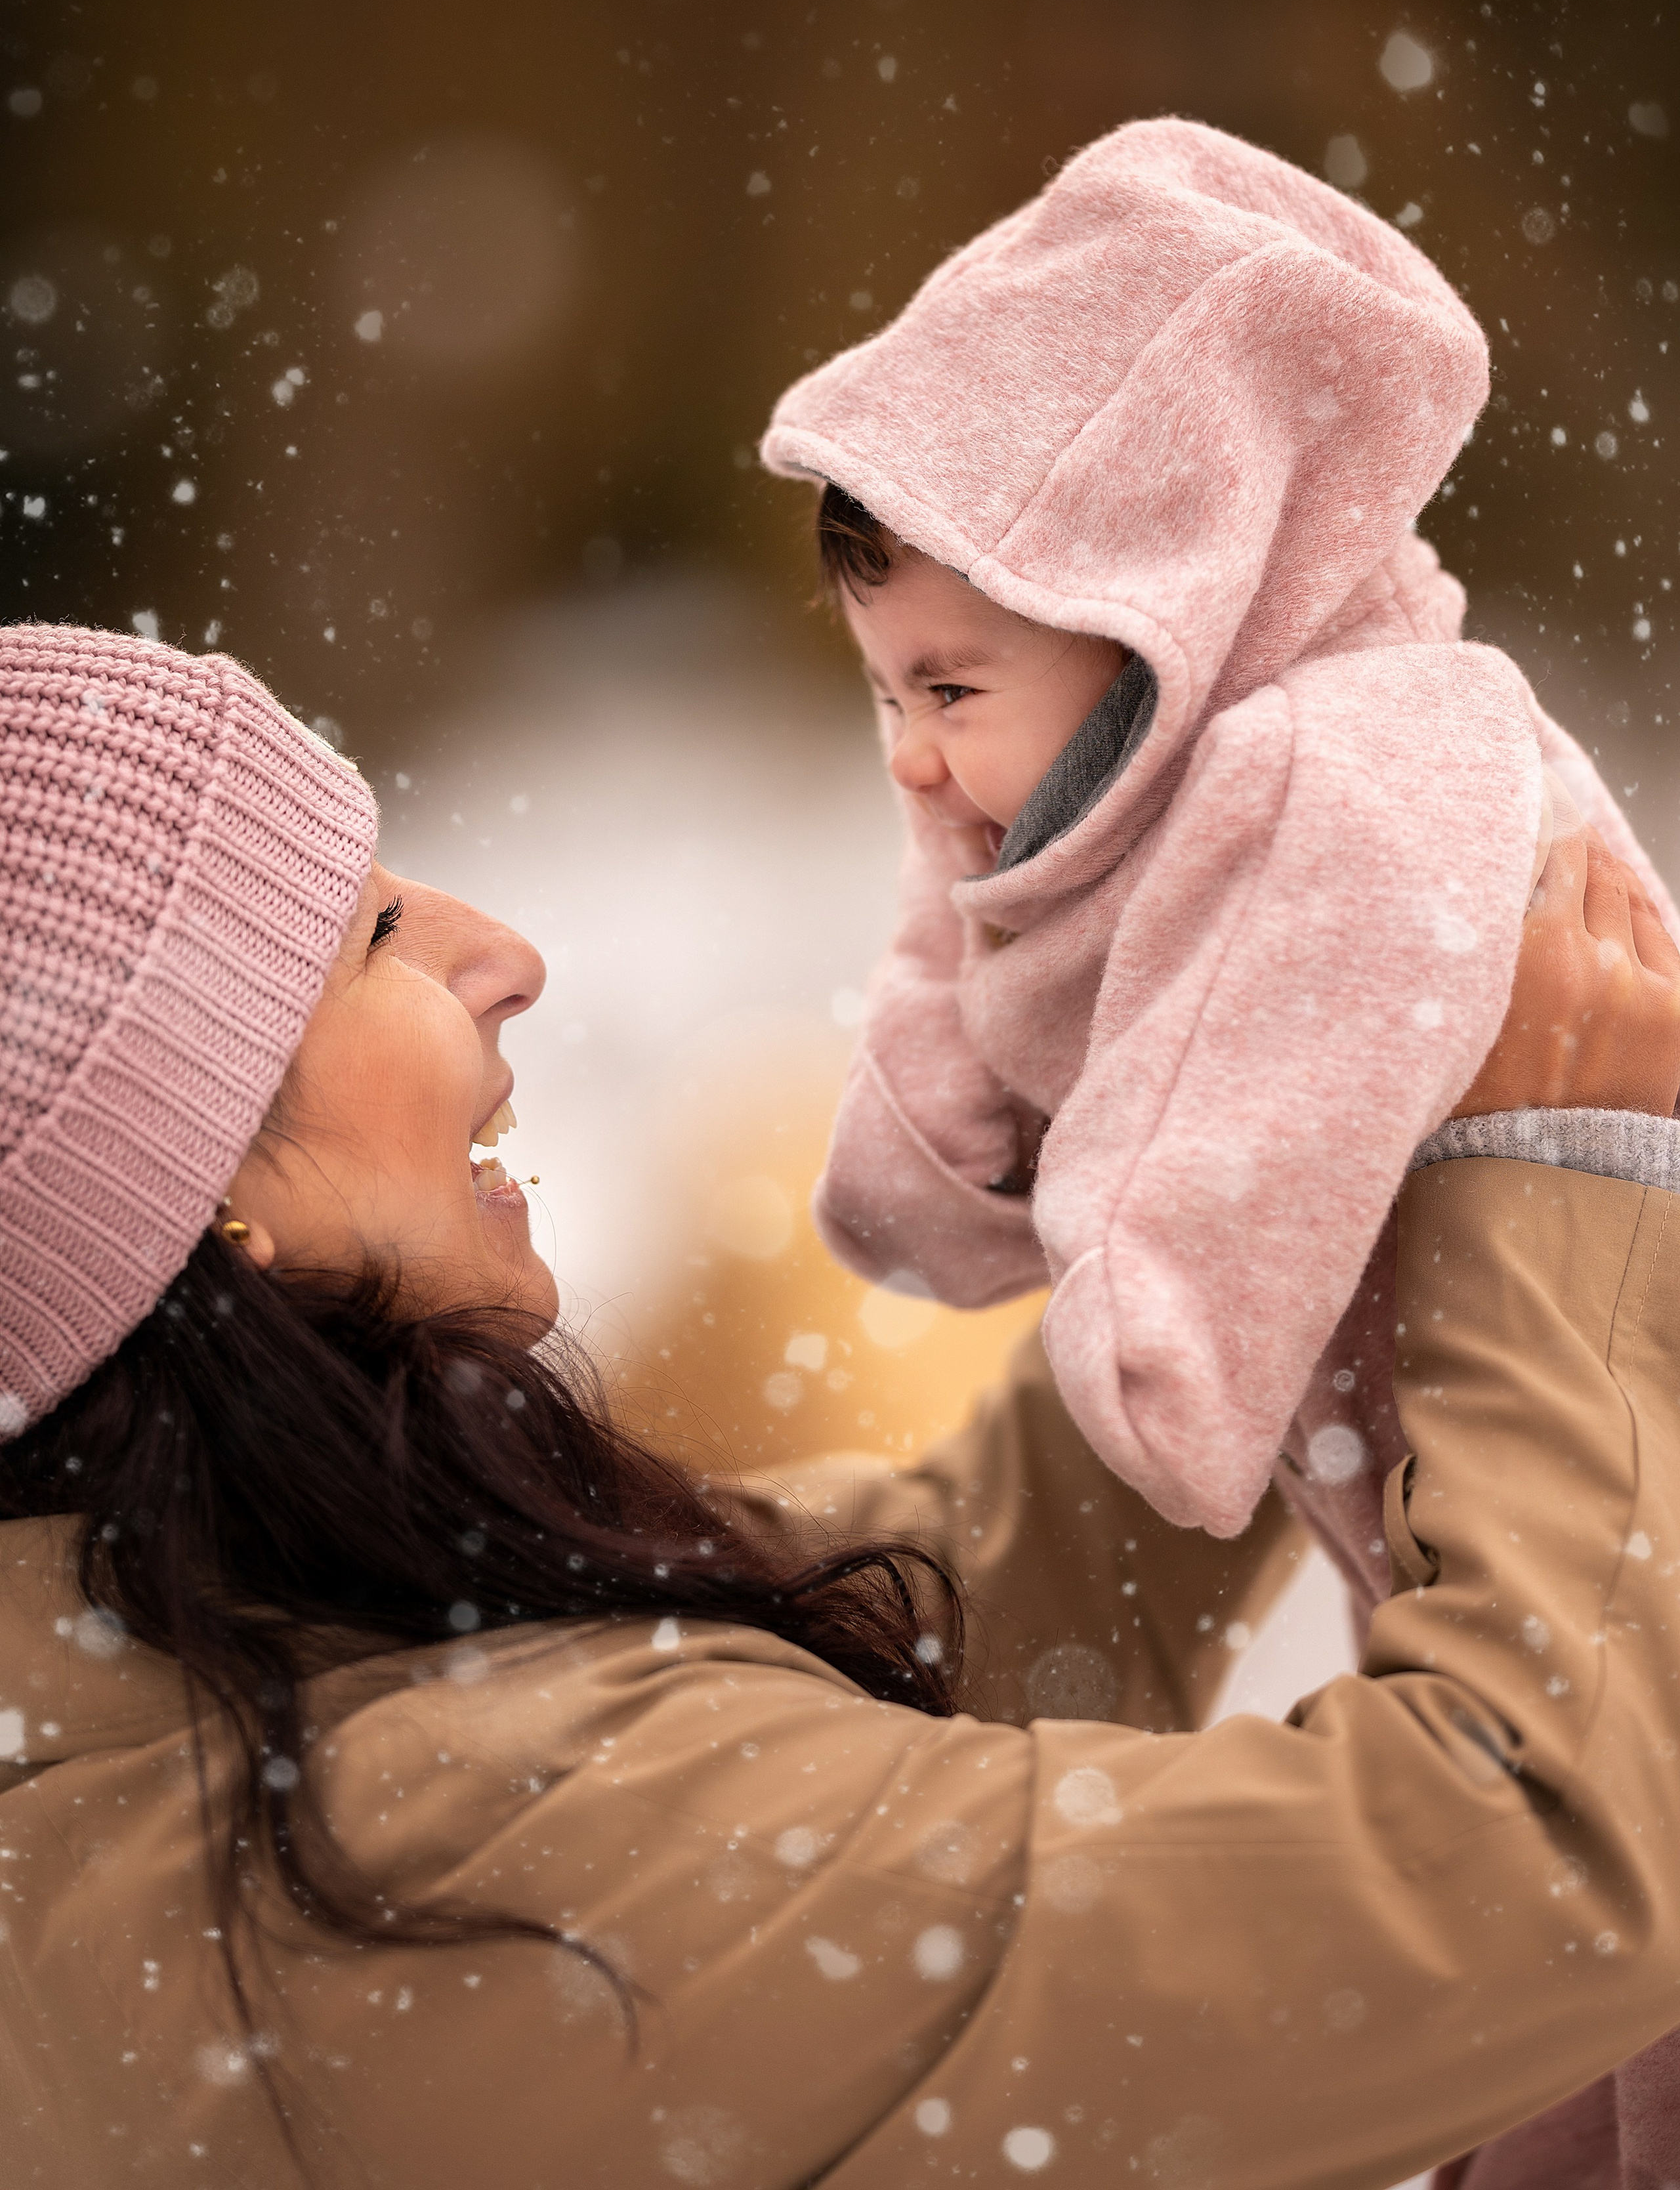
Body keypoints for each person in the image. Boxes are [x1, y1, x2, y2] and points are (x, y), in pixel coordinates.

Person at [3, 622, 1680, 2190]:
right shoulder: (462, 1857)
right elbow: (1526, 1862)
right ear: (182, 1183)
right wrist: (1545, 1193)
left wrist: (1253, 1190)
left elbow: (938, 1600)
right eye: (366, 936)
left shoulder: (192, 1683)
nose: (502, 953)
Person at [758, 116, 1677, 1614]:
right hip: (1516, 1499)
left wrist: (1159, 1338)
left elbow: (1249, 1114)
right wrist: (912, 1174)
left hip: (1624, 1455)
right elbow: (962, 1039)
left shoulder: (1353, 766)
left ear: (1150, 637)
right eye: (881, 692)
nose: (908, 759)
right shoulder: (1093, 790)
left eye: (945, 691)